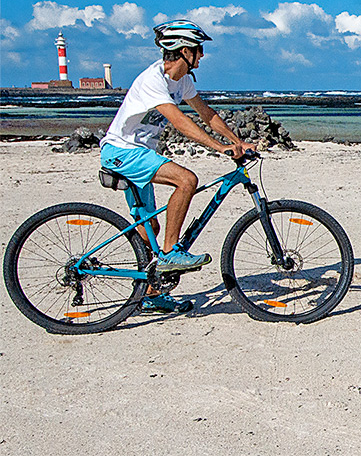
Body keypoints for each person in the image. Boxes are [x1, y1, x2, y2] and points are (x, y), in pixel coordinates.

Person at [100, 20, 256, 313]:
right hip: (122, 153)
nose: (202, 56)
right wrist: (218, 147)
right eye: (199, 50)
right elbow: (180, 122)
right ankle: (172, 252)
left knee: (151, 227)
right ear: (185, 51)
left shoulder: (182, 81)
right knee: (186, 180)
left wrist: (237, 140)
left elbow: (206, 113)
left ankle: (150, 293)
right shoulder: (153, 80)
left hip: (138, 154)